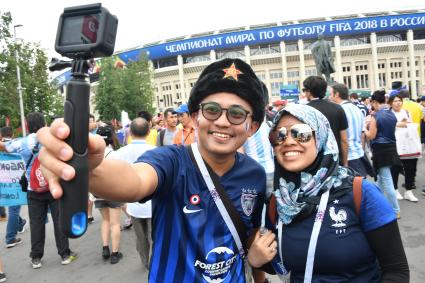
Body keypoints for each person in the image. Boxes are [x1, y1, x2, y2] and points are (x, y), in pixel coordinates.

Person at [37, 58, 267, 282]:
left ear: (252, 127)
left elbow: (251, 233)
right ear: (196, 117)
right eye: (212, 109)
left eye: (236, 114)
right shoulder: (171, 161)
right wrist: (86, 167)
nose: (223, 122)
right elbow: (135, 181)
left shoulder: (255, 175)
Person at [248, 104, 409, 282]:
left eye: (301, 133)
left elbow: (396, 270)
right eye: (279, 135)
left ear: (321, 137)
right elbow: (281, 264)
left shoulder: (360, 192)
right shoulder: (279, 201)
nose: (288, 141)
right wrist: (257, 261)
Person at [1, 112, 76, 268]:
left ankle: (36, 258)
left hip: (33, 189)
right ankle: (64, 254)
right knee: (59, 220)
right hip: (54, 186)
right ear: (44, 124)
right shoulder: (53, 141)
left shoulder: (21, 143)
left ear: (27, 126)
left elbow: (5, 147)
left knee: (36, 223)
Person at [108, 117, 156, 270]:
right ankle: (154, 262)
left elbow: (112, 176)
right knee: (154, 236)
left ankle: (145, 261)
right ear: (148, 131)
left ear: (130, 132)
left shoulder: (119, 153)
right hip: (154, 203)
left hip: (133, 203)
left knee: (140, 237)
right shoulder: (156, 151)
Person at [364, 90, 401, 218]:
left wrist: (364, 128)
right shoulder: (391, 114)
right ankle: (377, 204)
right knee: (381, 179)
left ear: (374, 102)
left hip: (381, 150)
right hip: (391, 148)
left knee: (386, 180)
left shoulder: (375, 116)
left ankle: (395, 210)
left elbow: (370, 136)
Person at [94, 124, 124, 264]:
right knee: (115, 223)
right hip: (112, 191)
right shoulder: (114, 154)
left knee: (105, 220)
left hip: (98, 191)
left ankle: (105, 248)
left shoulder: (92, 155)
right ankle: (114, 253)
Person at [304, 76, 349, 166]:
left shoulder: (304, 111)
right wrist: (345, 162)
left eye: (304, 90)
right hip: (335, 160)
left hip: (313, 162)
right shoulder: (338, 108)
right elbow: (344, 140)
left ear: (309, 92)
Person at [329, 84, 370, 177]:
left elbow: (344, 139)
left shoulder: (339, 110)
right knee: (360, 186)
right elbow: (362, 135)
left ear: (337, 94)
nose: (329, 97)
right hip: (359, 154)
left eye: (331, 94)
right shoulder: (356, 108)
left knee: (353, 188)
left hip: (349, 156)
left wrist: (345, 161)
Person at [388, 94, 419, 202]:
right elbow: (388, 126)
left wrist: (403, 124)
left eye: (399, 101)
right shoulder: (388, 113)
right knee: (395, 168)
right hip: (394, 144)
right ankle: (395, 189)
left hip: (408, 143)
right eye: (395, 101)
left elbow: (410, 125)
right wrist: (399, 124)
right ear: (391, 102)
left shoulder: (406, 112)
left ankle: (408, 190)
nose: (398, 103)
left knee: (410, 168)